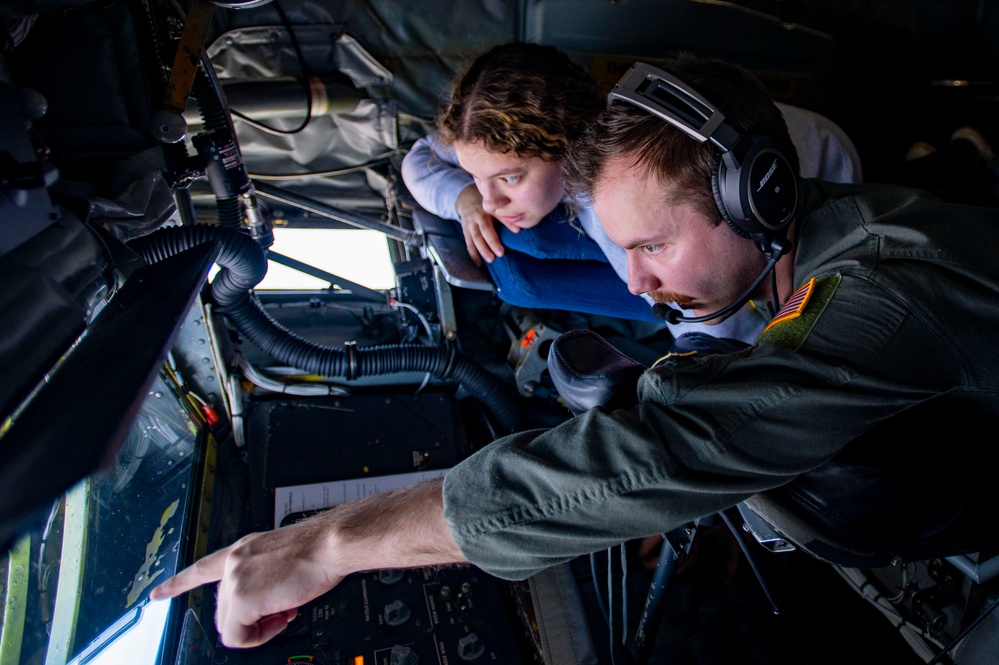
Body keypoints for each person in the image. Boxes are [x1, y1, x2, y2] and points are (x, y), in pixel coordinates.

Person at [151, 52, 999, 649]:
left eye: (652, 248)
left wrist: (319, 546)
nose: (633, 286)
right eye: (620, 250)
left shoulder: (874, 297)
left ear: (756, 196)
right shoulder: (806, 245)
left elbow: (662, 453)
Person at [401, 41, 863, 341]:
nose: (490, 201)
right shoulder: (509, 146)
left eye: (508, 177)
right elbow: (419, 158)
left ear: (562, 143)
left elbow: (725, 327)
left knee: (520, 274)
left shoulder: (621, 199)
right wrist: (460, 199)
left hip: (816, 181)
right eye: (476, 177)